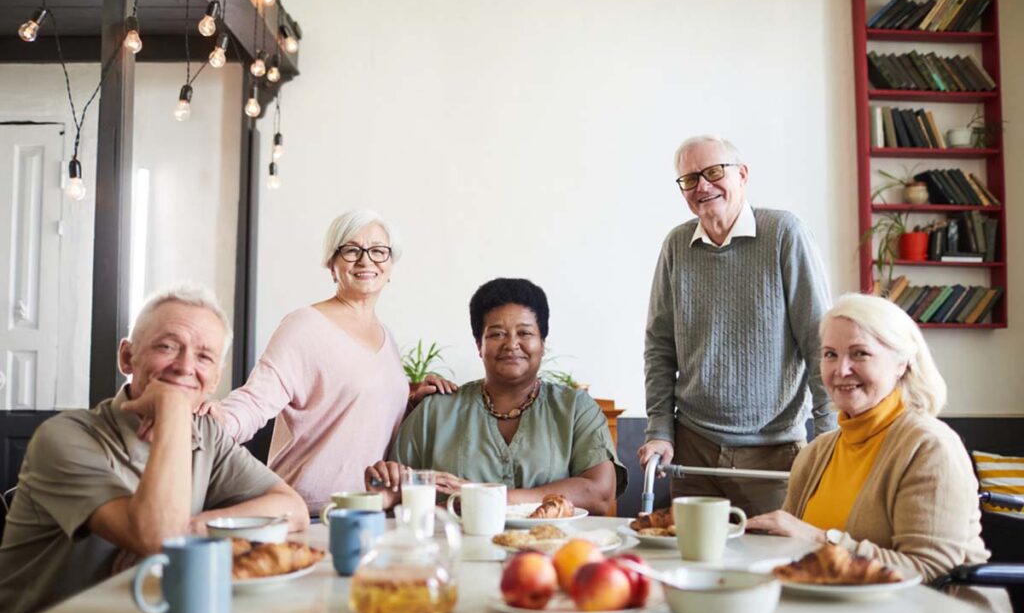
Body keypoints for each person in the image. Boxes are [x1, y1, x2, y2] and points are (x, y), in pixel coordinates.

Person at [0, 285, 308, 613]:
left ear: (215, 379)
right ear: (127, 357)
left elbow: (293, 510)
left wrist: (192, 527)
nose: (185, 366)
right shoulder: (64, 437)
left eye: (204, 357)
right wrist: (174, 407)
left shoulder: (207, 435)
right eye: (167, 346)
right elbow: (158, 538)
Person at [199, 210, 454, 513]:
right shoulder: (304, 325)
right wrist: (216, 422)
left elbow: (363, 409)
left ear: (390, 265)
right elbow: (256, 400)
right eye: (351, 250)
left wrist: (414, 400)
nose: (365, 260)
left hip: (371, 509)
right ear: (332, 264)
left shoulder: (387, 338)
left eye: (377, 251)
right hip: (311, 512)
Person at [638, 135, 836, 516]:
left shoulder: (784, 234)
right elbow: (659, 347)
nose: (703, 186)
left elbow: (819, 340)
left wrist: (828, 434)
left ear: (742, 175)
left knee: (773, 564)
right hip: (692, 447)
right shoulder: (677, 245)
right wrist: (659, 430)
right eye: (690, 179)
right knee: (690, 567)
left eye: (714, 172)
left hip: (772, 454)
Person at [747, 293, 988, 583]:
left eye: (859, 353)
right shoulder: (815, 453)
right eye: (830, 354)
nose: (841, 370)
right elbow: (791, 551)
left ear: (901, 364)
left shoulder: (929, 447)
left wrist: (821, 539)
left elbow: (927, 569)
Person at [365, 278, 626, 515]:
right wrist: (387, 494)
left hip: (555, 557)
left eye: (525, 333)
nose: (512, 344)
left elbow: (600, 494)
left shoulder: (575, 408)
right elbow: (395, 496)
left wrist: (487, 498)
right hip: (454, 557)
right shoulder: (434, 412)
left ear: (542, 344)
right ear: (479, 345)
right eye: (497, 334)